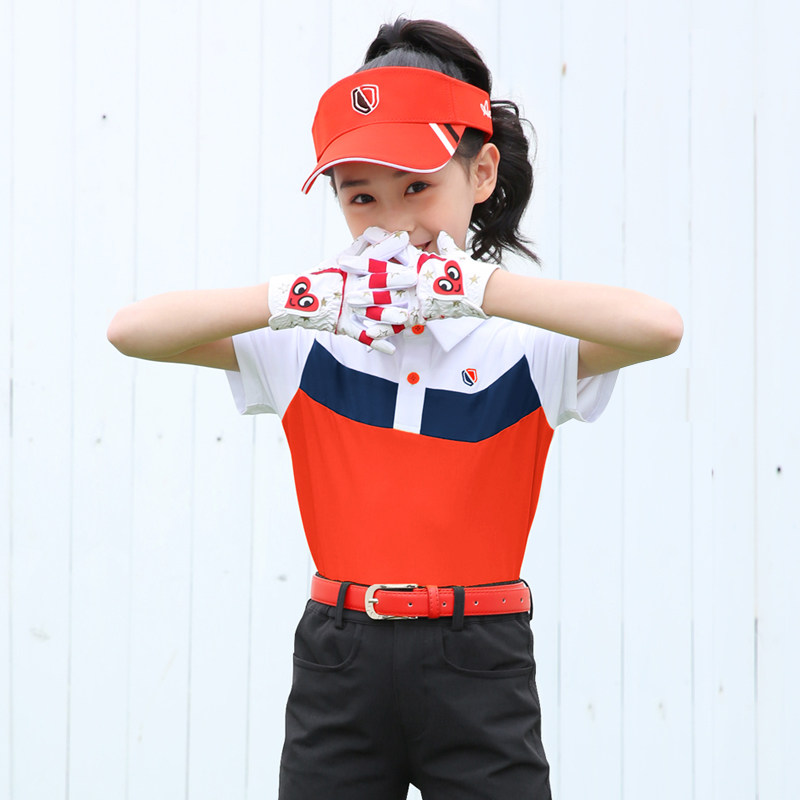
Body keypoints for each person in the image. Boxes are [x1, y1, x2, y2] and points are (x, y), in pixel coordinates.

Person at [108, 17, 683, 800]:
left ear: (482, 173)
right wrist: (296, 298)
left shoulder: (523, 344)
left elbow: (659, 328)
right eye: (361, 196)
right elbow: (131, 330)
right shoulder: (308, 339)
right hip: (338, 661)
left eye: (418, 187)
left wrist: (475, 287)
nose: (394, 222)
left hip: (480, 663)